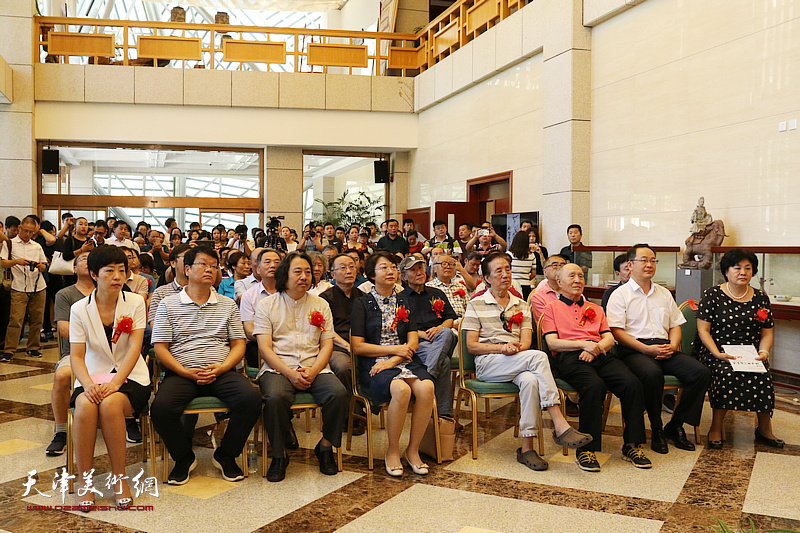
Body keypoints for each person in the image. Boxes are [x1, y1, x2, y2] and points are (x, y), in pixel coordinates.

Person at [461, 252, 591, 471]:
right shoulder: (476, 304)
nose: (505, 275)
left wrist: (514, 348)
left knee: (530, 380)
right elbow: (471, 345)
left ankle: (526, 448)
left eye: (508, 270)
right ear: (486, 278)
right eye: (498, 271)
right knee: (539, 357)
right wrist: (501, 348)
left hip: (519, 359)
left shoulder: (521, 304)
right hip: (488, 363)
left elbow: (526, 341)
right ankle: (559, 423)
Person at [151, 247, 261, 485]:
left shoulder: (227, 304)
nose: (210, 269)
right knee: (160, 409)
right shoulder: (168, 304)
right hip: (182, 372)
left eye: (213, 265)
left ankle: (226, 454)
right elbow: (160, 348)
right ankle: (183, 457)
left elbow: (238, 345)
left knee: (251, 400)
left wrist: (222, 368)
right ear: (187, 269)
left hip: (221, 371)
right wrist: (183, 371)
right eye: (203, 264)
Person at [542, 264, 651, 471]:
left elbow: (609, 337)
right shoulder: (551, 308)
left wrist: (596, 348)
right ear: (559, 282)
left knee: (632, 383)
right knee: (594, 386)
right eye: (571, 276)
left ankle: (632, 445)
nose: (577, 280)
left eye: (581, 276)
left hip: (599, 353)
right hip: (569, 357)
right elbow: (553, 343)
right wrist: (583, 345)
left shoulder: (596, 308)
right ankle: (586, 450)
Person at [606, 243, 710, 454]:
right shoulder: (620, 294)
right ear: (630, 264)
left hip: (664, 346)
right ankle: (656, 428)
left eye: (653, 260)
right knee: (652, 373)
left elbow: (675, 325)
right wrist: (646, 350)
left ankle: (676, 425)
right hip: (634, 349)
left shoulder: (663, 293)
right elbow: (617, 332)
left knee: (701, 373)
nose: (649, 265)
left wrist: (672, 346)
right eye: (643, 260)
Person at [254, 251, 348, 481]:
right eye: (298, 271)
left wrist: (314, 370)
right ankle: (279, 455)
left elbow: (327, 344)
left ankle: (325, 447)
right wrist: (288, 372)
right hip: (278, 367)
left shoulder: (321, 304)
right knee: (275, 397)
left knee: (339, 393)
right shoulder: (267, 304)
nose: (305, 276)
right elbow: (264, 348)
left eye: (308, 271)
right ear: (285, 274)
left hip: (313, 366)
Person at [69, 245, 151, 509]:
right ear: (94, 273)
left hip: (130, 377)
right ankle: (86, 481)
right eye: (109, 271)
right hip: (93, 375)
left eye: (121, 271)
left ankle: (119, 478)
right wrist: (89, 384)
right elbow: (77, 356)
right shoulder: (79, 308)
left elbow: (136, 346)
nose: (117, 276)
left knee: (111, 404)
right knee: (84, 404)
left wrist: (116, 383)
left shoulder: (135, 302)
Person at [350, 250, 436, 476]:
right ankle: (392, 451)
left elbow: (413, 341)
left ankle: (413, 451)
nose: (391, 271)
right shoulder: (362, 303)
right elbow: (357, 346)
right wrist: (391, 353)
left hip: (403, 359)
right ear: (371, 274)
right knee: (400, 389)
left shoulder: (405, 301)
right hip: (373, 364)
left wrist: (394, 359)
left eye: (393, 267)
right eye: (384, 267)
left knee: (427, 388)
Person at [697, 248, 783, 449]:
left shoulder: (761, 297)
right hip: (718, 351)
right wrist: (717, 353)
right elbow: (703, 330)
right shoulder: (713, 294)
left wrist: (764, 352)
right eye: (737, 268)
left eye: (748, 268)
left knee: (762, 374)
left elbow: (767, 332)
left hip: (751, 353)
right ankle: (716, 427)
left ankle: (764, 428)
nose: (743, 272)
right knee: (726, 373)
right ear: (726, 271)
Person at [45, 251, 94, 456]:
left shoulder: (108, 291)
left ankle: (129, 421)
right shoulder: (66, 294)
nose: (87, 262)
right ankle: (61, 431)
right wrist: (95, 336)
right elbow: (64, 328)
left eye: (92, 260)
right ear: (74, 269)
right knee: (63, 375)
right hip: (75, 350)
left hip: (109, 351)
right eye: (83, 259)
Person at [399, 255, 458, 419]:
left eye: (420, 268)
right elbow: (399, 328)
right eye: (413, 270)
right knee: (444, 362)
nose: (419, 272)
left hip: (442, 339)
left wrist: (439, 328)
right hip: (419, 344)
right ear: (404, 276)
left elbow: (449, 318)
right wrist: (422, 334)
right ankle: (444, 414)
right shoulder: (401, 298)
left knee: (448, 332)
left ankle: (429, 374)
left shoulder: (436, 293)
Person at [320, 253, 367, 436]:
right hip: (335, 345)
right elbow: (324, 330)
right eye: (343, 268)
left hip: (361, 344)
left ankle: (367, 406)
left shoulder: (363, 297)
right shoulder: (325, 298)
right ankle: (350, 415)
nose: (349, 271)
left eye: (352, 266)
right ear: (332, 274)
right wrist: (348, 346)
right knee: (344, 366)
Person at [1, 216, 48, 361]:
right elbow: (3, 263)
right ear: (20, 228)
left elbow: (45, 264)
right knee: (15, 319)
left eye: (31, 232)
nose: (27, 234)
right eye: (25, 231)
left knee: (37, 319)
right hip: (18, 286)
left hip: (38, 286)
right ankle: (9, 350)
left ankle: (33, 347)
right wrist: (16, 261)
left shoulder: (37, 246)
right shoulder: (9, 244)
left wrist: (41, 266)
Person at [240, 248, 281, 368]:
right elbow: (249, 330)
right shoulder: (249, 295)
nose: (273, 265)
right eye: (267, 262)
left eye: (277, 262)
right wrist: (270, 339)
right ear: (258, 269)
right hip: (257, 343)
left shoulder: (290, 292)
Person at [427, 253, 469, 323]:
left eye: (451, 264)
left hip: (463, 322)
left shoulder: (460, 286)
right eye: (444, 264)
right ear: (435, 268)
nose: (448, 267)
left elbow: (468, 307)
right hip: (442, 323)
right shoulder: (429, 287)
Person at [529, 255, 569, 323]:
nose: (559, 268)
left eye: (562, 265)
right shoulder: (538, 297)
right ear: (545, 272)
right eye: (555, 265)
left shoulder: (573, 293)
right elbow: (546, 324)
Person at [62, 217, 94, 285]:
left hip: (87, 272)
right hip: (71, 274)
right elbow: (66, 256)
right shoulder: (70, 240)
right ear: (75, 226)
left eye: (85, 225)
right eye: (81, 224)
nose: (83, 227)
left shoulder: (90, 241)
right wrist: (82, 250)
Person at [507, 231, 538, 301]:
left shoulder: (509, 255)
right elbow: (533, 274)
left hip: (511, 285)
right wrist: (525, 277)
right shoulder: (532, 255)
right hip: (526, 286)